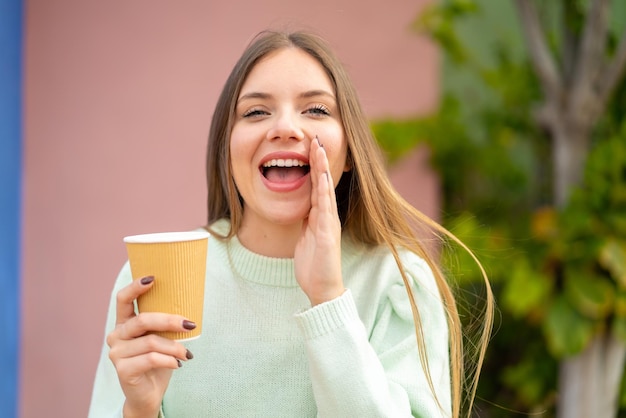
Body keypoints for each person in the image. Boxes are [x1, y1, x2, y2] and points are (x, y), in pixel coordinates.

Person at [89, 30, 493, 418]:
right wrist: (139, 411)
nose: (283, 128)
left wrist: (329, 303)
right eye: (256, 112)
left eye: (316, 109)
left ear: (350, 150)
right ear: (226, 147)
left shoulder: (399, 285)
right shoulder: (155, 278)